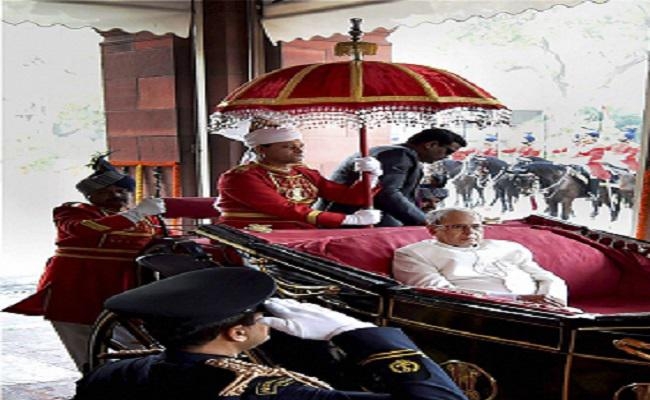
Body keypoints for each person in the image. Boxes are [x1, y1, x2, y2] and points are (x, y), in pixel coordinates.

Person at [73, 267, 468, 400]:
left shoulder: (110, 374)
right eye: (262, 317)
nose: (268, 322)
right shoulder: (266, 391)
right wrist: (358, 331)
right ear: (237, 333)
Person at [3, 155, 166, 371]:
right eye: (105, 191)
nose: (115, 195)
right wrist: (137, 213)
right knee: (86, 349)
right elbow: (85, 229)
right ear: (90, 195)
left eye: (121, 190)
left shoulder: (146, 218)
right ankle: (93, 381)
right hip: (78, 286)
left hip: (125, 286)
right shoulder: (72, 212)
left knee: (138, 344)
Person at [215, 126, 382, 229]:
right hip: (252, 233)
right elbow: (286, 209)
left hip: (299, 230)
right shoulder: (240, 177)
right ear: (261, 150)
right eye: (288, 147)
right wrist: (348, 219)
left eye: (300, 146)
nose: (299, 150)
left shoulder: (303, 171)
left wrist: (370, 175)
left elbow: (349, 197)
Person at [393, 208, 568, 306]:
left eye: (476, 227)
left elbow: (549, 279)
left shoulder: (509, 248)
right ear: (433, 230)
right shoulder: (414, 254)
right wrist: (516, 300)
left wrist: (552, 300)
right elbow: (437, 293)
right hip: (480, 312)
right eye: (458, 227)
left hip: (548, 311)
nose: (470, 232)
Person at [319, 128, 467, 227]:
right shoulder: (399, 155)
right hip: (358, 222)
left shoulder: (390, 152)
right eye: (447, 151)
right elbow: (387, 193)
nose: (446, 157)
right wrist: (425, 222)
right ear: (431, 144)